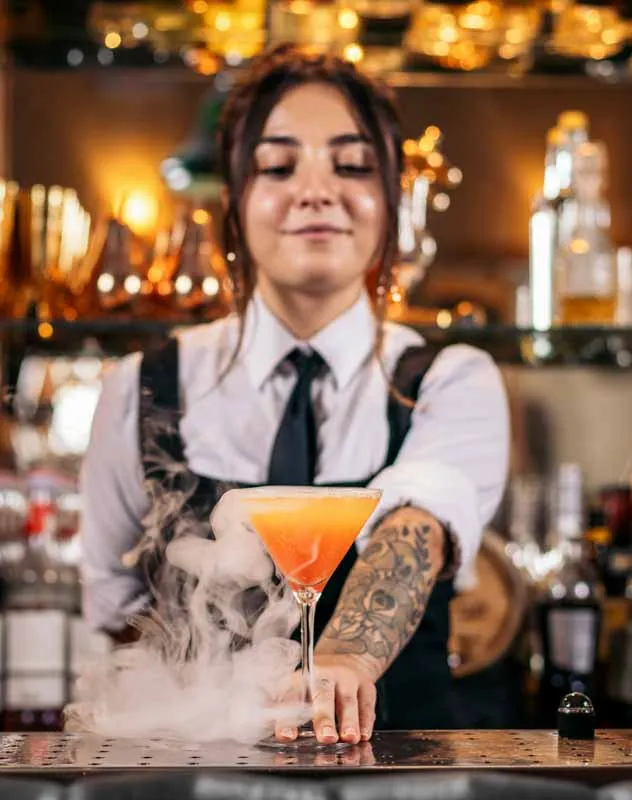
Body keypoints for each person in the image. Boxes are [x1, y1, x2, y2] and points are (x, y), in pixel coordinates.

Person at [80, 44, 509, 746]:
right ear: (234, 199)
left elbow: (415, 526)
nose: (316, 190)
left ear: (392, 196)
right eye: (278, 165)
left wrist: (339, 663)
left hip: (400, 785)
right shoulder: (140, 391)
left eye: (353, 164)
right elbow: (116, 604)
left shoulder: (449, 381)